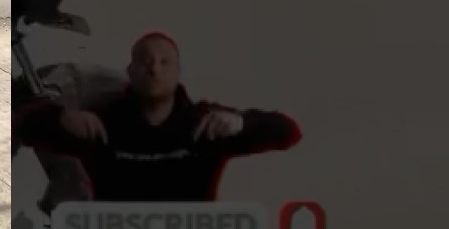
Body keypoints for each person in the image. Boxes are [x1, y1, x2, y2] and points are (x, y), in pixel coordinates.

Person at [16, 32, 301, 203]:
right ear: (130, 70)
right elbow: (19, 125)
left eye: (165, 63)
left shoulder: (204, 123)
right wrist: (60, 117)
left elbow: (288, 132)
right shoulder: (101, 124)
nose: (155, 70)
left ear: (178, 72)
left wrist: (243, 122)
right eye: (146, 62)